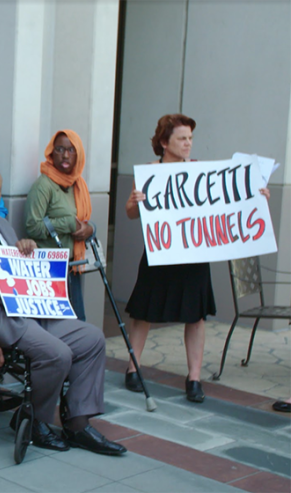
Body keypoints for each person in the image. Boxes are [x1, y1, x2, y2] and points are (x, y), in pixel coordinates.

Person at [0, 164, 126, 457]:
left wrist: (26, 248)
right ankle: (35, 419)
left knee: (91, 339)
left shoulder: (2, 224)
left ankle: (77, 423)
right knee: (57, 354)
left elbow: (19, 269)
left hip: (29, 309)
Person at [124, 114, 270, 402]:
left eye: (190, 138)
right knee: (143, 312)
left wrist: (257, 196)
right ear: (165, 142)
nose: (188, 143)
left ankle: (194, 378)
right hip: (161, 252)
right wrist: (132, 204)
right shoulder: (149, 173)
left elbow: (231, 201)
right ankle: (132, 368)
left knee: (196, 316)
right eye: (182, 138)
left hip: (193, 256)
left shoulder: (202, 172)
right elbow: (132, 214)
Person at [24, 130, 93, 321]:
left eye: (71, 150)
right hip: (50, 268)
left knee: (78, 323)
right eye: (60, 149)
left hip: (73, 267)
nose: (65, 155)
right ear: (51, 153)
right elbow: (32, 226)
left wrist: (90, 229)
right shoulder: (44, 185)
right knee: (56, 327)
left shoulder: (78, 184)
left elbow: (83, 220)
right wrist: (68, 224)